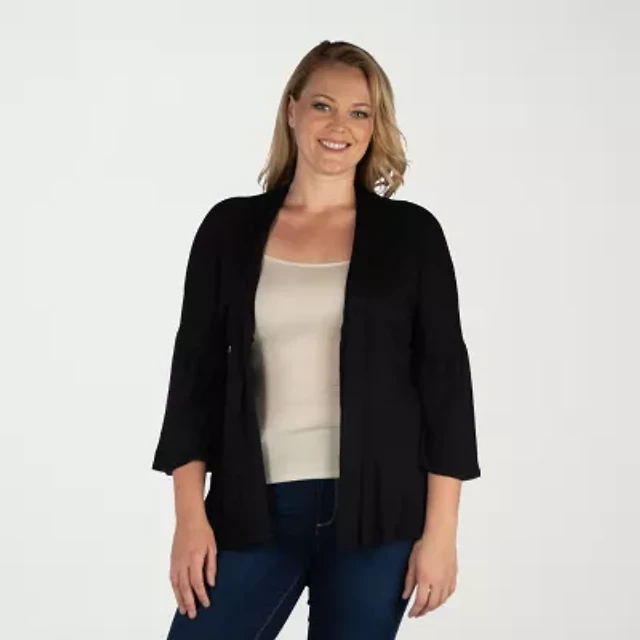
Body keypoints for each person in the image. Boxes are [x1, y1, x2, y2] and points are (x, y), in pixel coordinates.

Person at [151, 39, 481, 639]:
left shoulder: (411, 236)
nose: (339, 127)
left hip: (378, 515)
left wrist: (442, 534)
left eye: (360, 112)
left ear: (375, 126)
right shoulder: (229, 230)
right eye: (323, 106)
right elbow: (194, 381)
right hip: (252, 508)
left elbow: (446, 390)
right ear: (292, 110)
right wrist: (189, 518)